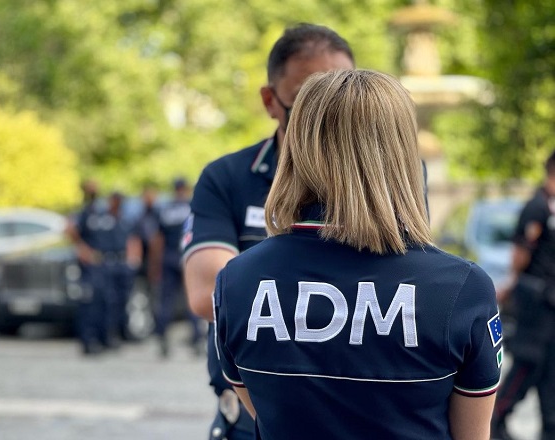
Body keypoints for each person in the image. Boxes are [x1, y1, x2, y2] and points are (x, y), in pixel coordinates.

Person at [214, 69, 501, 439]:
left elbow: (264, 414)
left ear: (299, 147)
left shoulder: (237, 280)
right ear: (402, 152)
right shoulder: (461, 288)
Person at [182, 24, 355, 439]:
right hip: (253, 416)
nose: (325, 115)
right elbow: (208, 294)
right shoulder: (228, 177)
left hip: (359, 409)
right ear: (270, 100)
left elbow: (411, 280)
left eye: (342, 95)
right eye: (307, 99)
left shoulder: (388, 178)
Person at [491, 151, 555, 440]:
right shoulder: (537, 207)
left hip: (549, 304)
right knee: (528, 362)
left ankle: (550, 426)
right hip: (536, 302)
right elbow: (520, 255)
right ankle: (494, 419)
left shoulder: (549, 207)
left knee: (550, 370)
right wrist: (510, 285)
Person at [67, 182, 142, 354]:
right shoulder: (87, 213)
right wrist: (83, 251)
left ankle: (105, 338)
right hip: (95, 265)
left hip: (110, 264)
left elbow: (131, 239)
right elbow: (71, 229)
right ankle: (89, 340)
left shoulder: (114, 217)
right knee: (91, 303)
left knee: (109, 303)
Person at [150, 178, 204, 358]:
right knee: (191, 298)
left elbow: (158, 239)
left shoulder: (166, 209)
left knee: (166, 300)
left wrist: (155, 264)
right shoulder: (193, 207)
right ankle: (196, 339)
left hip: (169, 256)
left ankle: (162, 337)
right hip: (188, 256)